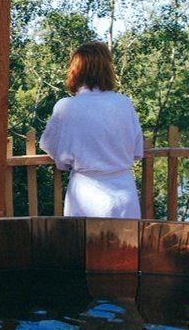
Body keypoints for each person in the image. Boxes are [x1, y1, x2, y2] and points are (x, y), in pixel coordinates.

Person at [39, 41, 144, 219]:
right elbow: (136, 150)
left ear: (75, 70)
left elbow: (49, 145)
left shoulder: (66, 107)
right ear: (107, 69)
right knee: (125, 246)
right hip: (123, 195)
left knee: (82, 246)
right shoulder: (123, 104)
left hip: (85, 196)